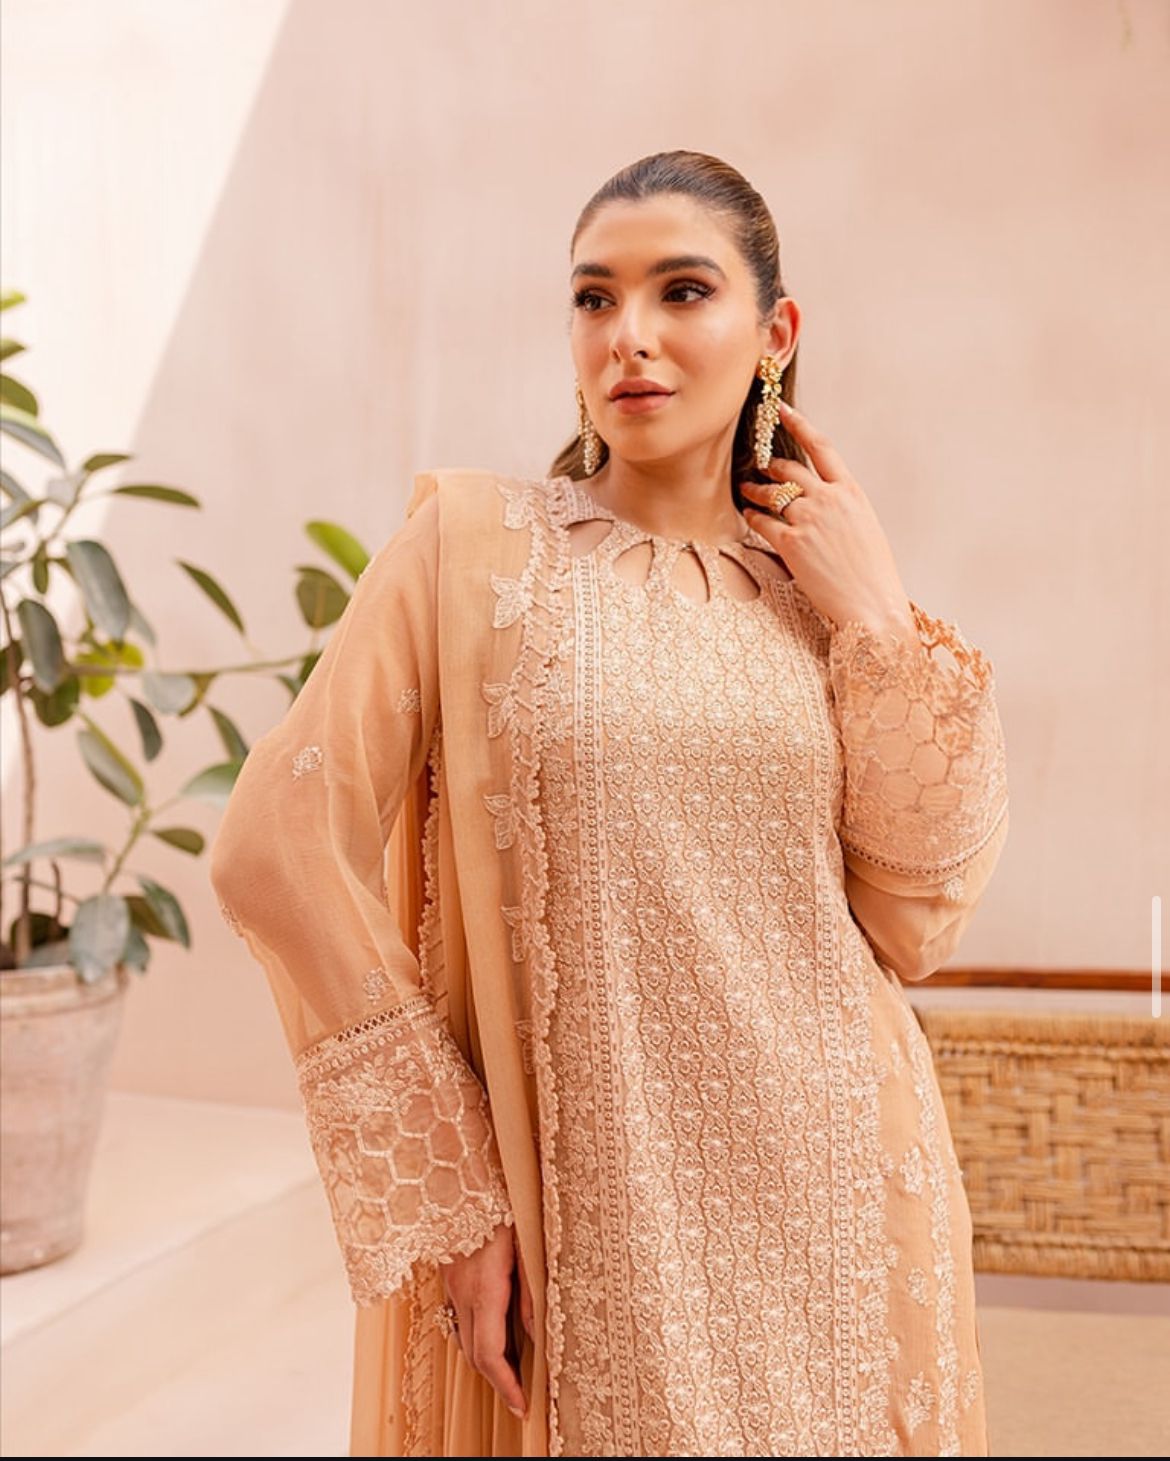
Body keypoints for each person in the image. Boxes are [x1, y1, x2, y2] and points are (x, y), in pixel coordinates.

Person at [209, 149, 1009, 1457]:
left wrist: (874, 612)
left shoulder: (824, 588)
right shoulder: (473, 552)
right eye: (594, 298)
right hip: (593, 1210)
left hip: (839, 1194)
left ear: (775, 333)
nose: (627, 334)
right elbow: (274, 845)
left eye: (681, 291)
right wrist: (455, 1190)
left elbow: (918, 915)